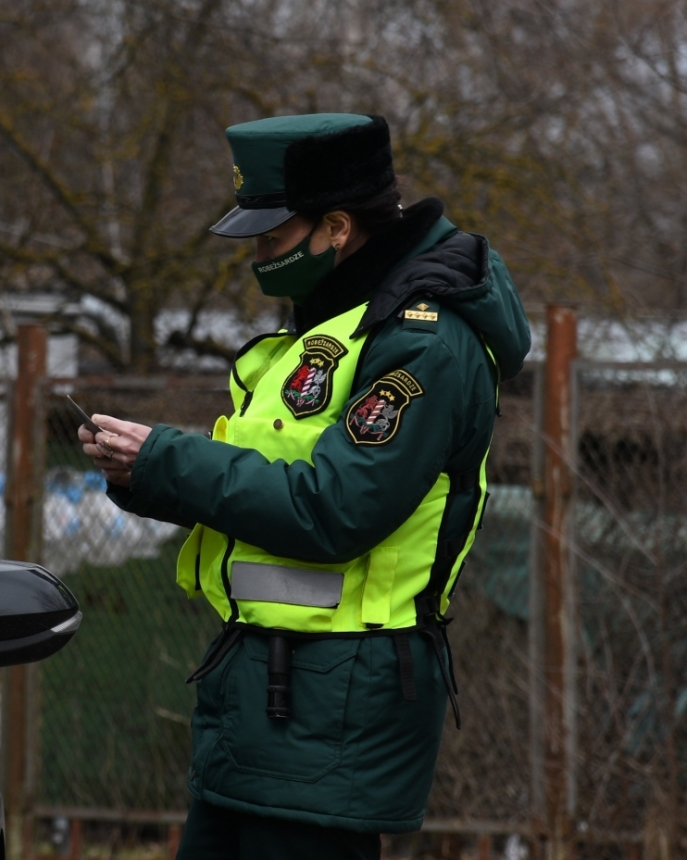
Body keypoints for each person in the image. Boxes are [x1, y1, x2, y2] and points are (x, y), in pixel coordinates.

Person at [77, 114, 530, 859]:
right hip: (268, 698)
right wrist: (144, 472)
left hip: (334, 713)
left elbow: (335, 509)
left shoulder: (422, 341)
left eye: (272, 237)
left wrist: (170, 461)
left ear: (338, 228)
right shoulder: (336, 325)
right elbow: (263, 480)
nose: (257, 257)